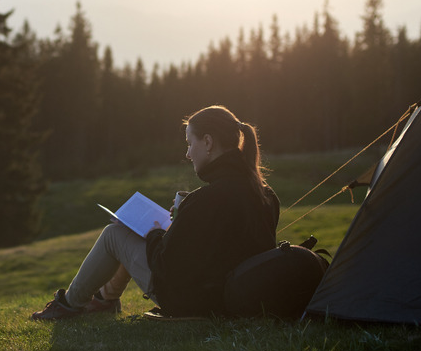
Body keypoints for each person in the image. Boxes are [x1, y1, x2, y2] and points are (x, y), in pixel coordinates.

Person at [31, 105, 280, 320]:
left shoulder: (206, 199)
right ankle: (105, 300)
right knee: (128, 232)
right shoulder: (266, 195)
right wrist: (181, 225)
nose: (187, 153)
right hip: (232, 296)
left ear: (207, 142)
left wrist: (155, 234)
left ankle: (69, 305)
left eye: (190, 143)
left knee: (113, 234)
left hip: (194, 300)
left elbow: (166, 266)